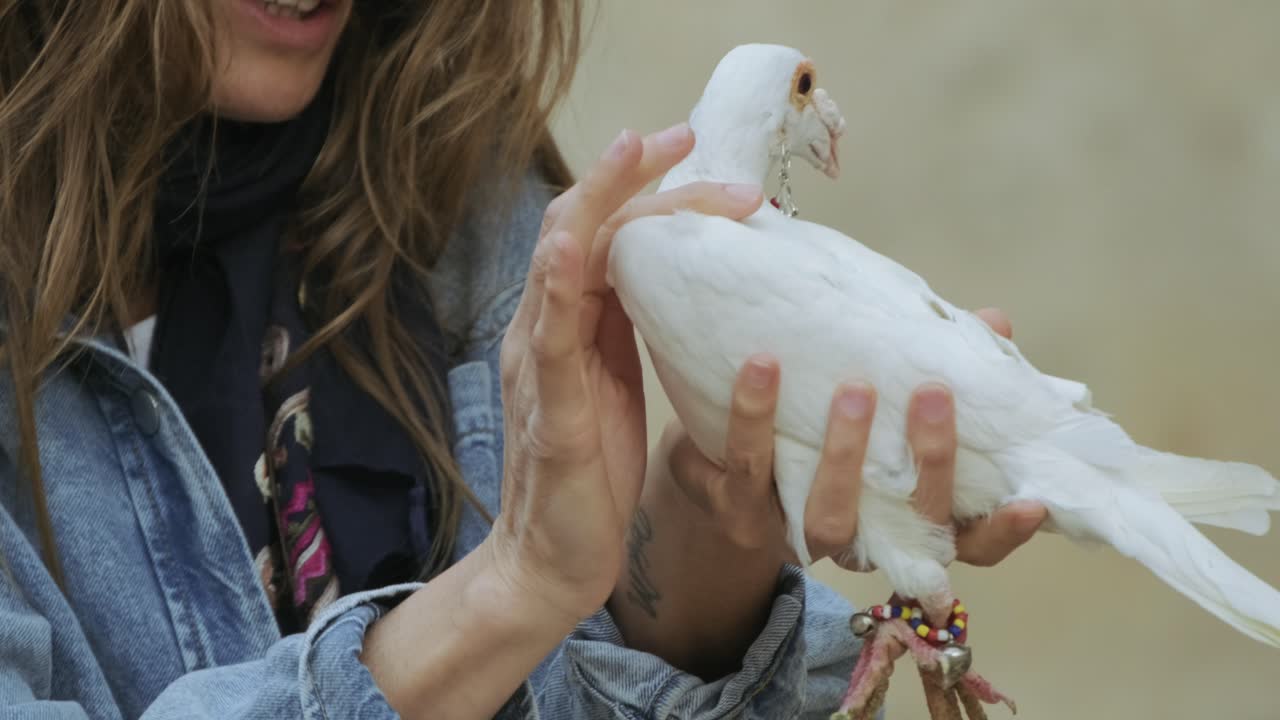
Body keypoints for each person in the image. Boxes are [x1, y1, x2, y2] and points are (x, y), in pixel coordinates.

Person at [0, 1, 1046, 717]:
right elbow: (530, 589)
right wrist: (508, 589)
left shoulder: (474, 219)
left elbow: (577, 659)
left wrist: (704, 523)